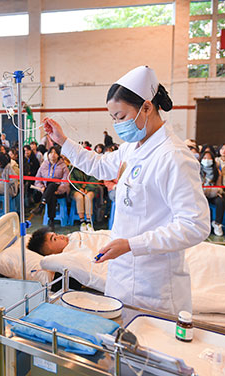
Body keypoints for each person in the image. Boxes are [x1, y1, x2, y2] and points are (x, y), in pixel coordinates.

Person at [44, 65, 210, 315]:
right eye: (113, 119)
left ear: (146, 107)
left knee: (150, 346)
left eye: (121, 117)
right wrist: (63, 142)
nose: (117, 125)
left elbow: (195, 225)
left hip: (155, 284)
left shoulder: (173, 157)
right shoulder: (134, 148)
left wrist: (134, 244)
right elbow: (99, 166)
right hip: (122, 272)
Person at [30, 145, 69, 229]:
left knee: (51, 185)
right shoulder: (44, 165)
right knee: (51, 192)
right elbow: (37, 180)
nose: (53, 154)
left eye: (55, 153)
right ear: (48, 154)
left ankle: (42, 206)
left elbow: (65, 182)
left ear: (58, 155)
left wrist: (58, 190)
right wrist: (42, 187)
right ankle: (51, 220)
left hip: (59, 191)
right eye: (51, 152)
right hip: (45, 191)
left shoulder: (63, 166)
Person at [69, 163, 102, 231]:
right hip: (76, 190)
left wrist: (87, 188)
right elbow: (71, 179)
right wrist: (79, 188)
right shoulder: (72, 168)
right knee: (79, 197)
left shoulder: (91, 166)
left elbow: (94, 178)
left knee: (88, 197)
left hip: (90, 189)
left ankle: (89, 221)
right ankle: (82, 221)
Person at [200, 150, 225, 236]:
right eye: (204, 158)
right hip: (201, 193)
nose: (207, 160)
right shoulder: (197, 170)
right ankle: (203, 224)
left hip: (213, 193)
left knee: (220, 200)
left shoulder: (217, 172)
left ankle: (217, 224)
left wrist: (216, 191)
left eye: (209, 158)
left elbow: (219, 186)